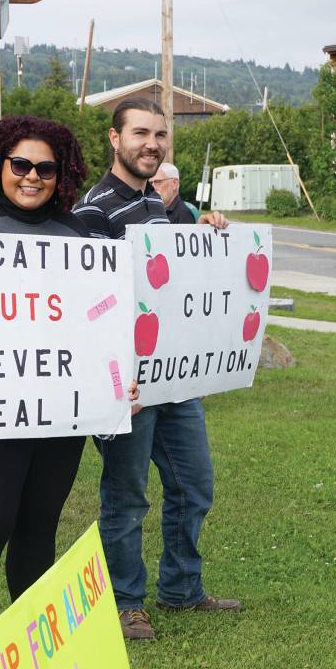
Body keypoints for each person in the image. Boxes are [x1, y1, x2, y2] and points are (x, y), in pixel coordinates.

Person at [0, 115, 140, 662]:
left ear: (62, 173)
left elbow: (100, 320)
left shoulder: (76, 233)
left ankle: (36, 656)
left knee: (38, 528)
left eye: (45, 168)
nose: (32, 177)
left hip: (58, 410)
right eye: (20, 164)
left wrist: (117, 384)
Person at [73, 99, 241, 641]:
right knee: (126, 496)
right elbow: (89, 305)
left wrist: (208, 228)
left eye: (160, 135)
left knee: (194, 485)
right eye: (140, 133)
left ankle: (181, 589)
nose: (152, 143)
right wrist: (115, 378)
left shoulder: (162, 206)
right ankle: (125, 603)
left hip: (176, 379)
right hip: (129, 386)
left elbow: (181, 280)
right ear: (113, 138)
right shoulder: (92, 212)